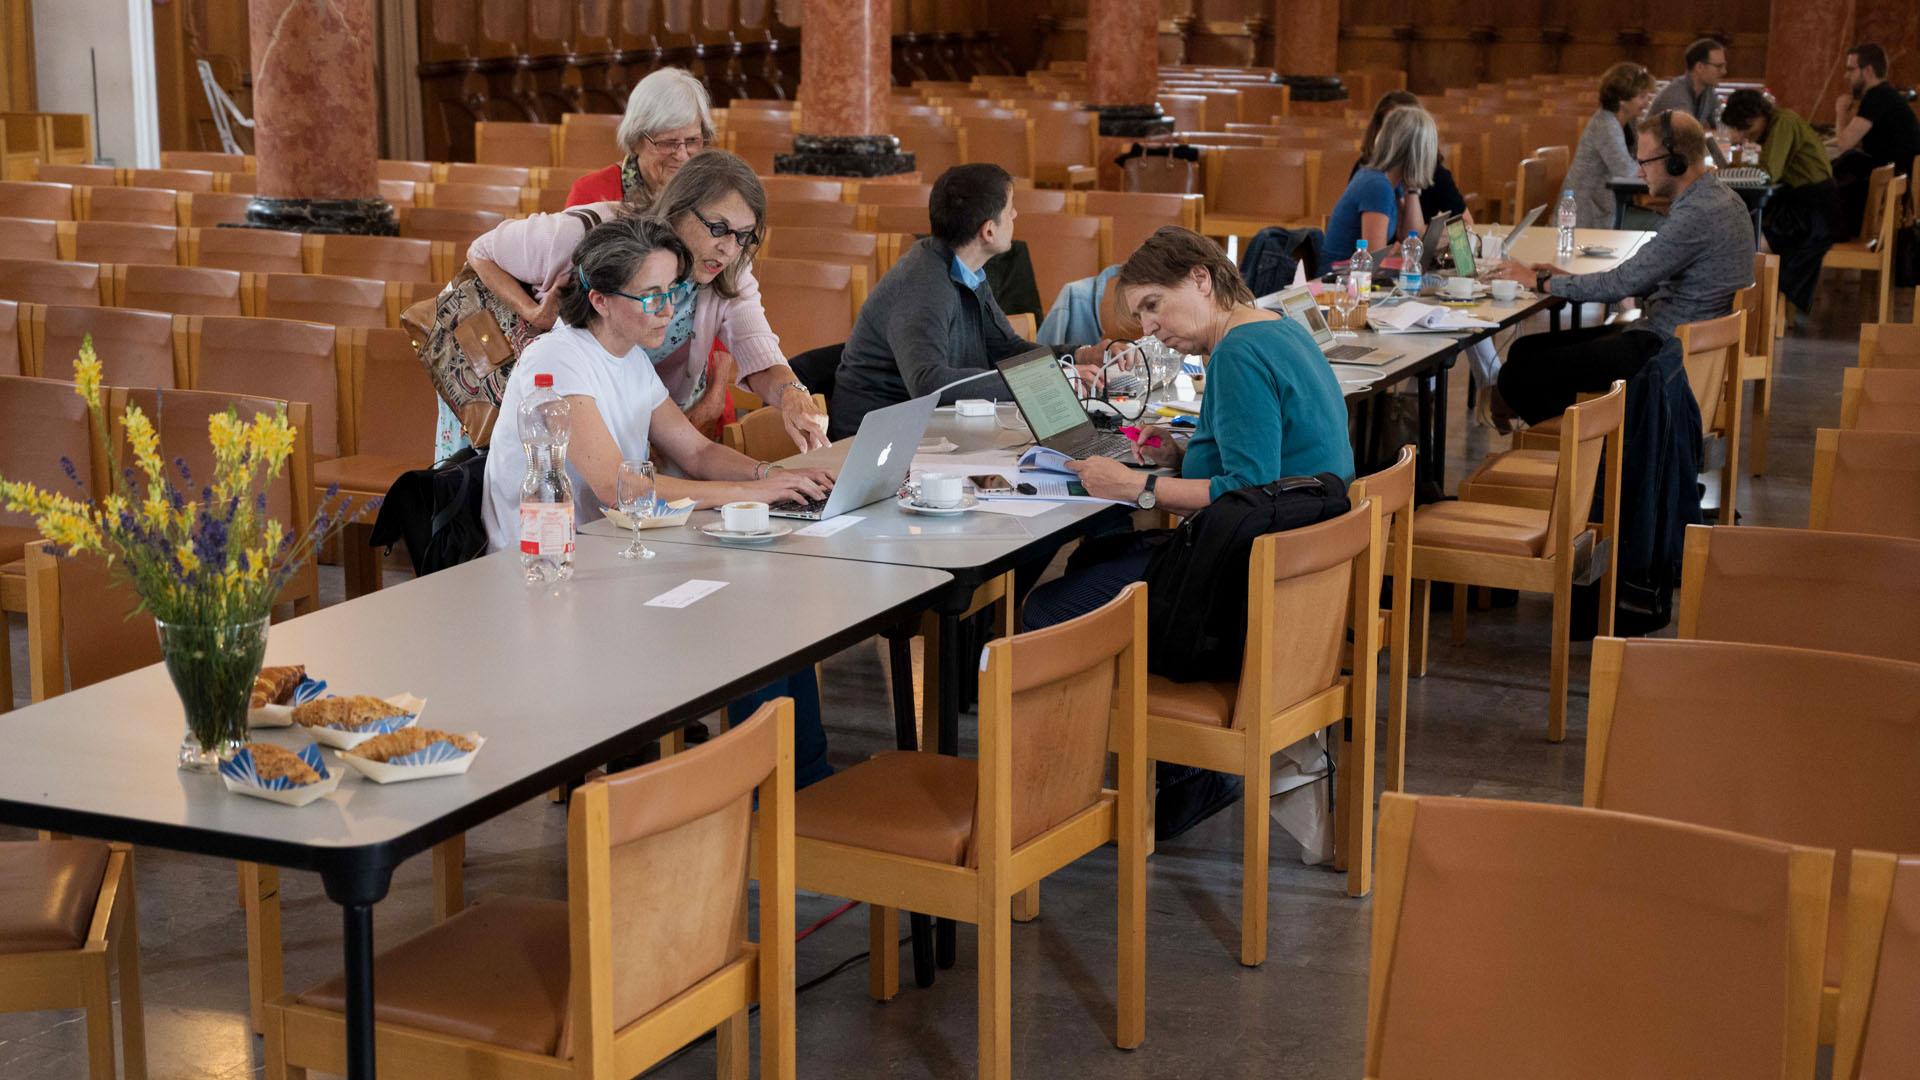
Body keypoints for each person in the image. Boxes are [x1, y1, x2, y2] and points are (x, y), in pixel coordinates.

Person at [1024, 226, 1355, 848]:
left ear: (1202, 279)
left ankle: (1059, 803)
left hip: (1248, 577)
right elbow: (1260, 459)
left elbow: (1244, 491)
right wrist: (1183, 449)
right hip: (1296, 568)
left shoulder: (1236, 353)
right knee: (1101, 554)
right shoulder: (1278, 327)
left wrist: (1136, 488)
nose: (1147, 327)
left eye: (1152, 304)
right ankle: (1181, 772)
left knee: (1049, 608)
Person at [482, 215, 840, 785]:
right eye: (649, 296)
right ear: (598, 299)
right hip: (551, 568)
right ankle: (772, 786)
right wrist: (750, 493)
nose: (668, 309)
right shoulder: (558, 360)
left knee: (776, 603)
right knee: (749, 612)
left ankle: (802, 778)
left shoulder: (628, 358)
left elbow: (695, 452)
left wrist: (771, 475)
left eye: (672, 291)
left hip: (616, 548)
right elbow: (618, 486)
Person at [438, 150, 830, 461]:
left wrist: (793, 394)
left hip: (615, 402)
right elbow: (481, 251)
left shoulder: (726, 270)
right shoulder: (589, 233)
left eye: (744, 236)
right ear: (679, 208)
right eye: (717, 228)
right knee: (487, 500)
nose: (729, 248)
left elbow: (757, 347)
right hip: (505, 381)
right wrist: (532, 312)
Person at [1492, 111, 1755, 424]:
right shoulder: (1722, 199)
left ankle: (1599, 455)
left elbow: (1623, 284)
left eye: (1644, 162)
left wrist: (1540, 280)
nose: (1640, 174)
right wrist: (1565, 278)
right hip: (1682, 341)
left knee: (1518, 376)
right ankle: (1573, 440)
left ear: (1675, 162)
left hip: (1666, 353)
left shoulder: (1697, 213)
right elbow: (1639, 277)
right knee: (1524, 349)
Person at [830, 163, 1122, 438]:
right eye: (1010, 210)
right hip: (877, 439)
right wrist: (1045, 379)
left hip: (928, 428)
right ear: (989, 230)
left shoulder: (964, 269)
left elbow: (1007, 349)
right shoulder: (923, 283)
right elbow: (929, 384)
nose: (1016, 215)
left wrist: (1080, 355)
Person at [1721, 89, 1839, 315]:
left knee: (1756, 235)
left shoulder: (1783, 122)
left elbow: (1769, 172)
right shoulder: (1779, 121)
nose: (1746, 135)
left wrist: (1734, 170)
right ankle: (1750, 302)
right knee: (1749, 222)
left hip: (1815, 209)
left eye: (1747, 127)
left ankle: (1756, 308)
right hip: (1806, 201)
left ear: (1759, 116)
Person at [565, 68, 714, 208]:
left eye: (692, 140)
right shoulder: (592, 195)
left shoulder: (715, 192)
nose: (682, 155)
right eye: (668, 142)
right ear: (636, 140)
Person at [1323, 105, 1436, 264]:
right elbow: (1374, 262)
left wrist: (1412, 188)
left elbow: (1412, 238)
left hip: (1355, 278)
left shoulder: (1391, 182)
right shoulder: (1377, 186)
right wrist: (1397, 253)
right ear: (1417, 153)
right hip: (1339, 282)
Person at [1830, 44, 1920, 239]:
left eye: (1851, 69)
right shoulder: (1885, 95)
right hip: (1897, 175)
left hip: (1890, 179)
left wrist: (1840, 110)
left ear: (1868, 70)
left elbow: (1844, 143)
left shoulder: (1877, 96)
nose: (1847, 76)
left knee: (1835, 171)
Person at [1350, 90, 1470, 223]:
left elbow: (1465, 224)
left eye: (1406, 129)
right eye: (1391, 128)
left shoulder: (1434, 172)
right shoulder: (1370, 173)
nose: (1399, 138)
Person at [1567, 62, 1658, 228]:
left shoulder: (1628, 122)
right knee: (1660, 223)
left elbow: (1642, 156)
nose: (1647, 103)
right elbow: (1626, 169)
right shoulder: (1605, 125)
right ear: (1622, 99)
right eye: (1642, 97)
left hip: (1608, 206)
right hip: (1587, 216)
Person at [1648, 38, 1730, 166]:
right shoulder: (1676, 95)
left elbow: (1723, 125)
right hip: (1654, 166)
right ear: (1699, 67)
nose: (1724, 71)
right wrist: (1727, 135)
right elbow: (1687, 138)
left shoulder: (1709, 93)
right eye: (1719, 66)